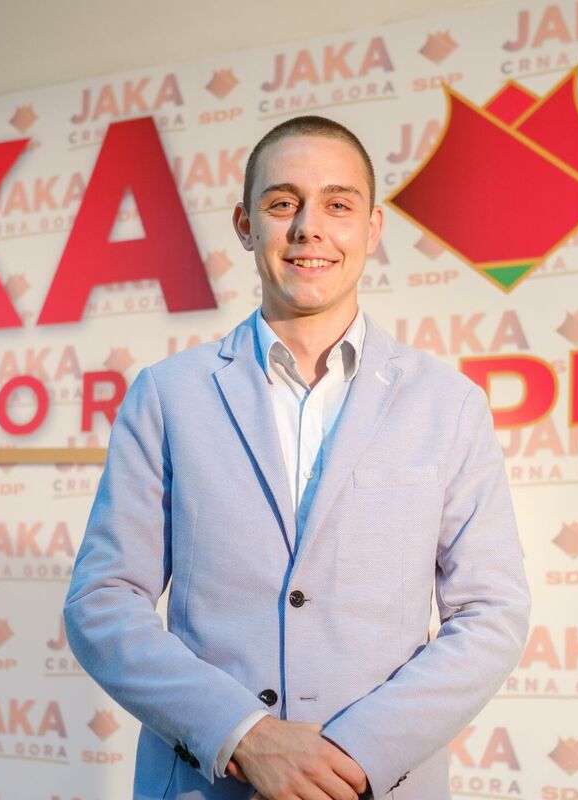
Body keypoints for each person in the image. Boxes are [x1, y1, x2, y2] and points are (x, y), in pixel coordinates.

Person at [64, 115, 531, 800]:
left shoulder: (449, 404)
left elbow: (491, 613)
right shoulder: (168, 395)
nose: (310, 227)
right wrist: (242, 735)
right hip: (204, 782)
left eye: (338, 205)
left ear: (371, 228)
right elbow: (103, 602)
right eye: (283, 203)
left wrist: (351, 756)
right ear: (245, 225)